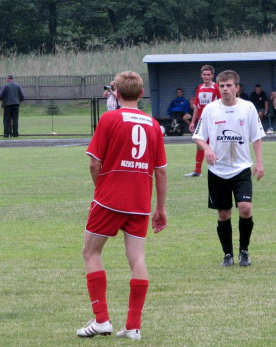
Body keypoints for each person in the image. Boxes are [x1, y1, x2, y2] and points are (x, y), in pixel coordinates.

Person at [76, 71, 167, 340]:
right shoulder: (153, 124)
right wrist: (160, 208)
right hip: (139, 203)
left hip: (109, 199)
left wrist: (100, 188)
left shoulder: (110, 118)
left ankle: (102, 319)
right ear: (141, 94)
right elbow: (160, 171)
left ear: (116, 93)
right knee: (137, 258)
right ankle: (133, 326)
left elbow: (94, 163)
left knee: (91, 253)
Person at [193, 70, 265, 267]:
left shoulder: (248, 108)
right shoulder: (210, 109)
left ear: (237, 87)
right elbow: (198, 136)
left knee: (245, 208)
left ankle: (244, 251)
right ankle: (227, 254)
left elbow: (256, 136)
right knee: (223, 213)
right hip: (218, 169)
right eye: (222, 86)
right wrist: (207, 148)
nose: (225, 89)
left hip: (241, 168)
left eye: (229, 85)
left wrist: (259, 162)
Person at [186, 65, 221, 177]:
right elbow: (197, 106)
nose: (206, 76)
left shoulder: (216, 88)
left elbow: (221, 105)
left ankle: (218, 168)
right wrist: (192, 122)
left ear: (212, 76)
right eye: (204, 74)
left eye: (208, 75)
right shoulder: (199, 88)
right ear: (201, 75)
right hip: (202, 122)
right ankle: (197, 170)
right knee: (199, 143)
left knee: (215, 144)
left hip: (214, 121)